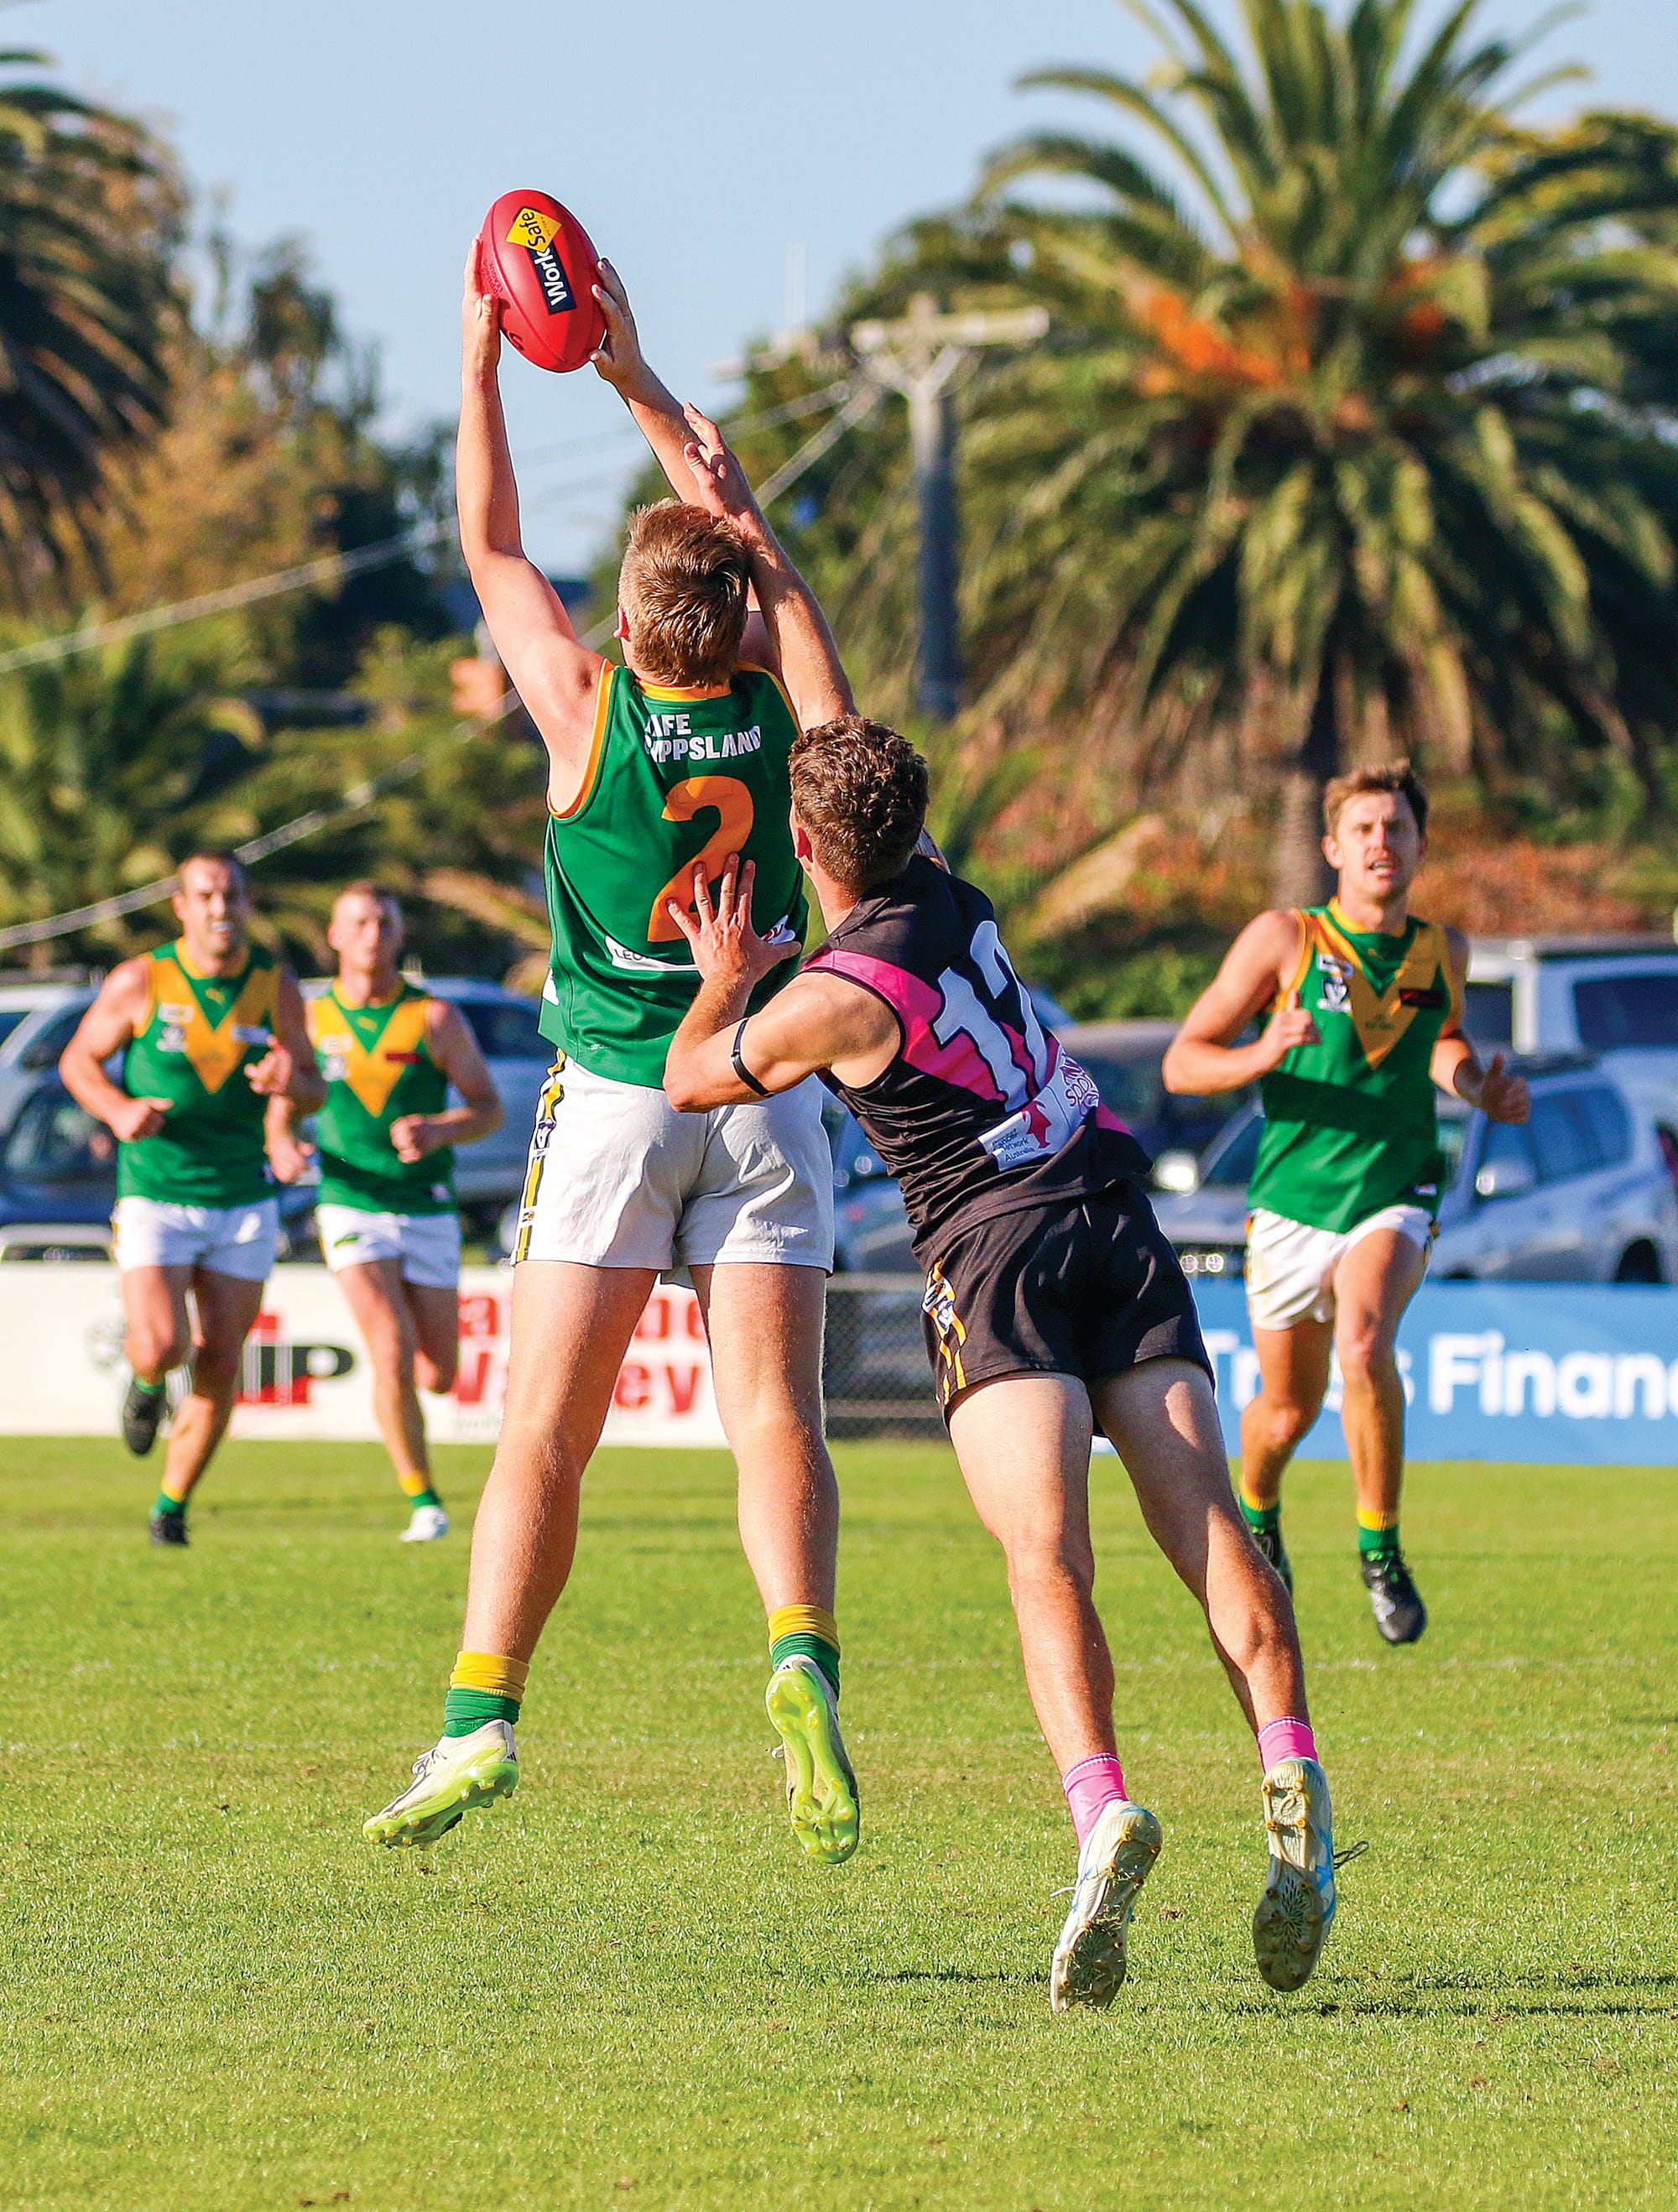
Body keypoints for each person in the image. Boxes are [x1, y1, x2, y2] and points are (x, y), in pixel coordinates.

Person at [659, 716, 1342, 2011]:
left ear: (802, 844)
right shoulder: (948, 889)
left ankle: (1102, 1817)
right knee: (1213, 1541)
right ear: (914, 824)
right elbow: (846, 746)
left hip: (997, 1255)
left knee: (1048, 1560)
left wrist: (723, 969)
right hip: (1114, 1218)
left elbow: (693, 1080)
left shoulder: (827, 998)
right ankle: (1291, 1769)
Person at [363, 250, 858, 1862]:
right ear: (738, 612)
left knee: (543, 1437)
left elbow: (488, 539)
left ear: (634, 621)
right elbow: (752, 545)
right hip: (774, 1083)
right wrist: (638, 376)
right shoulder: (794, 714)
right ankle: (800, 1654)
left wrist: (487, 357)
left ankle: (479, 1721)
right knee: (776, 1419)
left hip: (628, 1095)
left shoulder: (584, 708)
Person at [1162, 762, 1530, 1642]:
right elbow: (1183, 1060)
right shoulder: (1286, 939)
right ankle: (1256, 1505)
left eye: (1395, 829)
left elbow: (1439, 1041)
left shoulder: (1443, 950)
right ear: (1330, 848)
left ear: (1418, 846)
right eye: (1362, 829)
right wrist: (1260, 1055)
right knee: (1284, 1412)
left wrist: (1477, 1088)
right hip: (1290, 1199)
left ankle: (1378, 1547)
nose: (1380, 844)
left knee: (1364, 1341)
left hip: (1392, 1187)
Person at [59, 851, 324, 1545]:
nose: (219, 908)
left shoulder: (275, 986)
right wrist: (116, 1110)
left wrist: (287, 1083)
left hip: (242, 1198)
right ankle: (146, 1384)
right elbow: (78, 1061)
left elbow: (314, 1087)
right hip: (157, 1191)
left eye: (231, 895)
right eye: (204, 895)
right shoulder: (142, 979)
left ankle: (171, 1505)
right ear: (180, 905)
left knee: (222, 1358)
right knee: (163, 1343)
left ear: (246, 902)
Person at [269, 881, 503, 1542]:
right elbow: (282, 1105)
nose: (372, 933)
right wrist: (281, 1143)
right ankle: (423, 1500)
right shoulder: (313, 1019)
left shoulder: (432, 1017)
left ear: (399, 935)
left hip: (426, 1206)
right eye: (359, 922)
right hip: (348, 1203)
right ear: (335, 936)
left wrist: (439, 1129)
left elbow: (489, 1106)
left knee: (437, 1372)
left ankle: (423, 1482)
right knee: (390, 1347)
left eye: (384, 922)